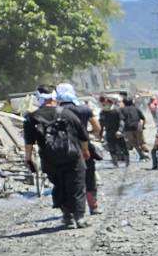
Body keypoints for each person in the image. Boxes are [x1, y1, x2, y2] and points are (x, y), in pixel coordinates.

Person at [22, 89, 90, 228]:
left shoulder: (31, 118)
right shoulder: (67, 113)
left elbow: (29, 142)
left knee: (60, 185)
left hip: (49, 159)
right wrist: (85, 151)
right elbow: (83, 135)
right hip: (73, 156)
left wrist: (28, 158)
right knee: (77, 186)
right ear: (54, 98)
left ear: (38, 99)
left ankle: (67, 217)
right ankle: (79, 218)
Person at [56, 84, 100, 216]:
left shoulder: (55, 112)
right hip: (84, 147)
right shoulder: (84, 109)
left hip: (62, 149)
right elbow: (97, 128)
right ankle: (93, 206)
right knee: (89, 175)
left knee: (66, 178)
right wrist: (88, 134)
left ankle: (69, 210)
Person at [98, 96, 127, 167]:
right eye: (103, 104)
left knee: (123, 147)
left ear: (110, 103)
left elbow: (122, 121)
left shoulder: (116, 110)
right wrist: (100, 134)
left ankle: (126, 162)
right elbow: (101, 125)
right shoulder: (102, 112)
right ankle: (115, 163)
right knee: (112, 149)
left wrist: (120, 130)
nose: (104, 105)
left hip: (118, 133)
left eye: (106, 103)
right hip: (109, 133)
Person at [119, 96, 146, 163]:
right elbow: (143, 118)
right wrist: (143, 126)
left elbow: (121, 120)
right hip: (138, 127)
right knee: (141, 142)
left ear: (124, 103)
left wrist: (120, 130)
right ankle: (144, 153)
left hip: (128, 128)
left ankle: (141, 154)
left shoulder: (122, 110)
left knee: (134, 143)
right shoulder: (136, 108)